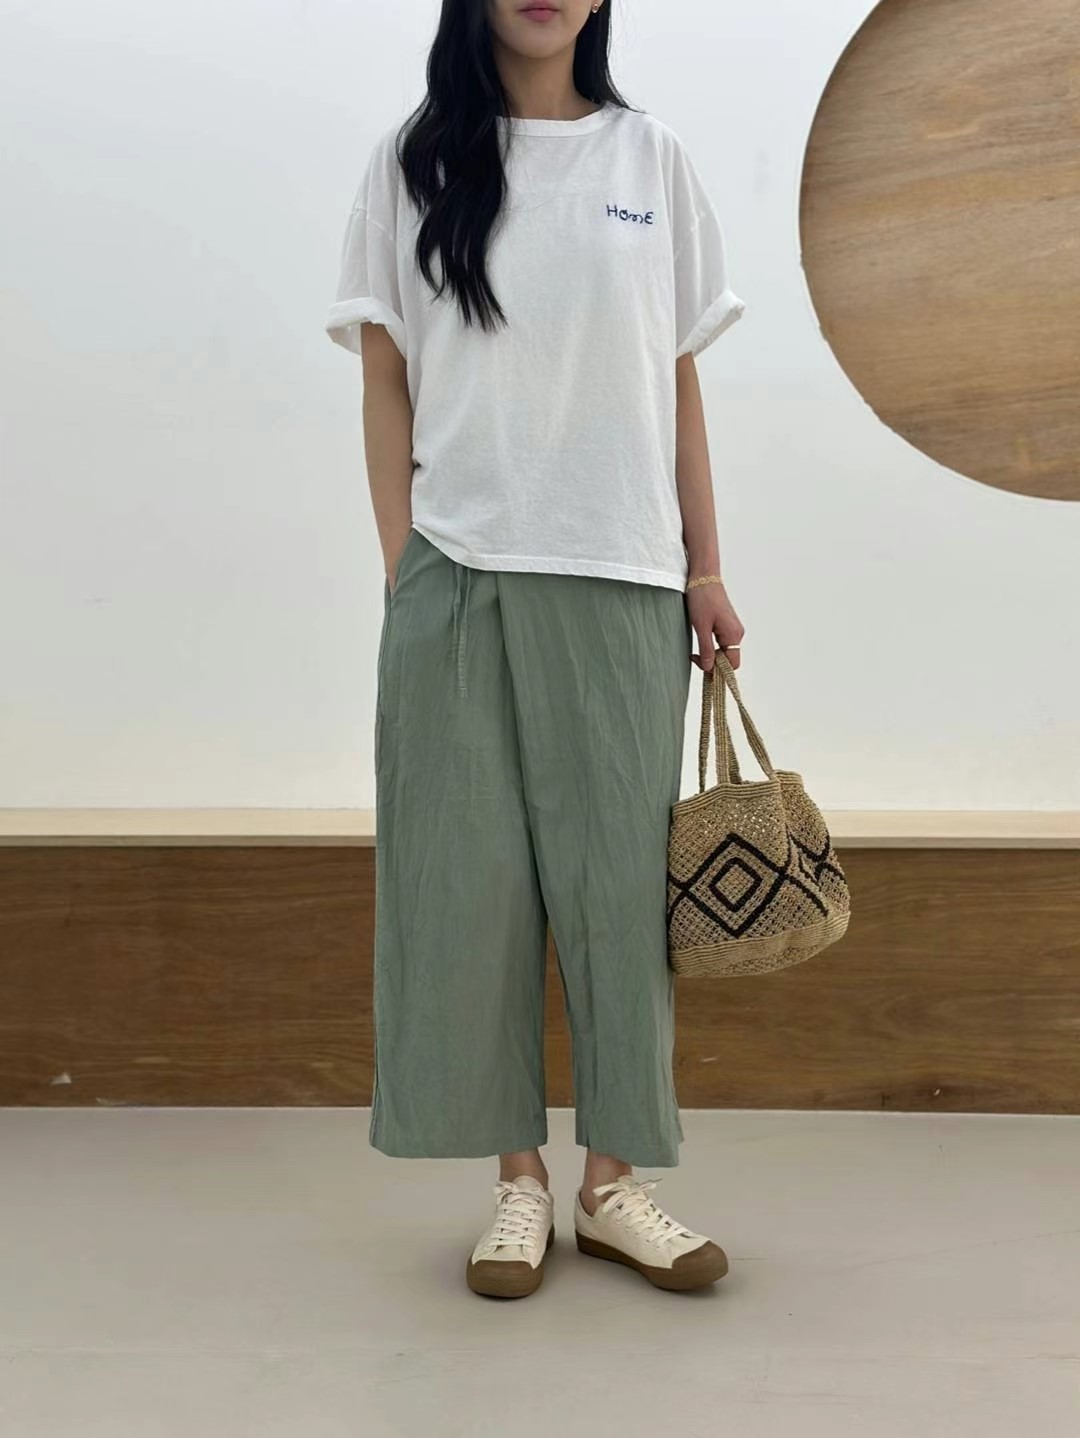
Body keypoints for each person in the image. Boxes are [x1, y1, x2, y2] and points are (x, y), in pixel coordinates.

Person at [325, 0, 746, 1299]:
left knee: (620, 896)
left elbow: (676, 375)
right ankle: (519, 1184)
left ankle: (612, 1186)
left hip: (621, 571)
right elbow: (384, 375)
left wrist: (707, 564)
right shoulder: (415, 161)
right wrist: (403, 563)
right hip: (457, 572)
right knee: (475, 890)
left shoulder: (650, 158)